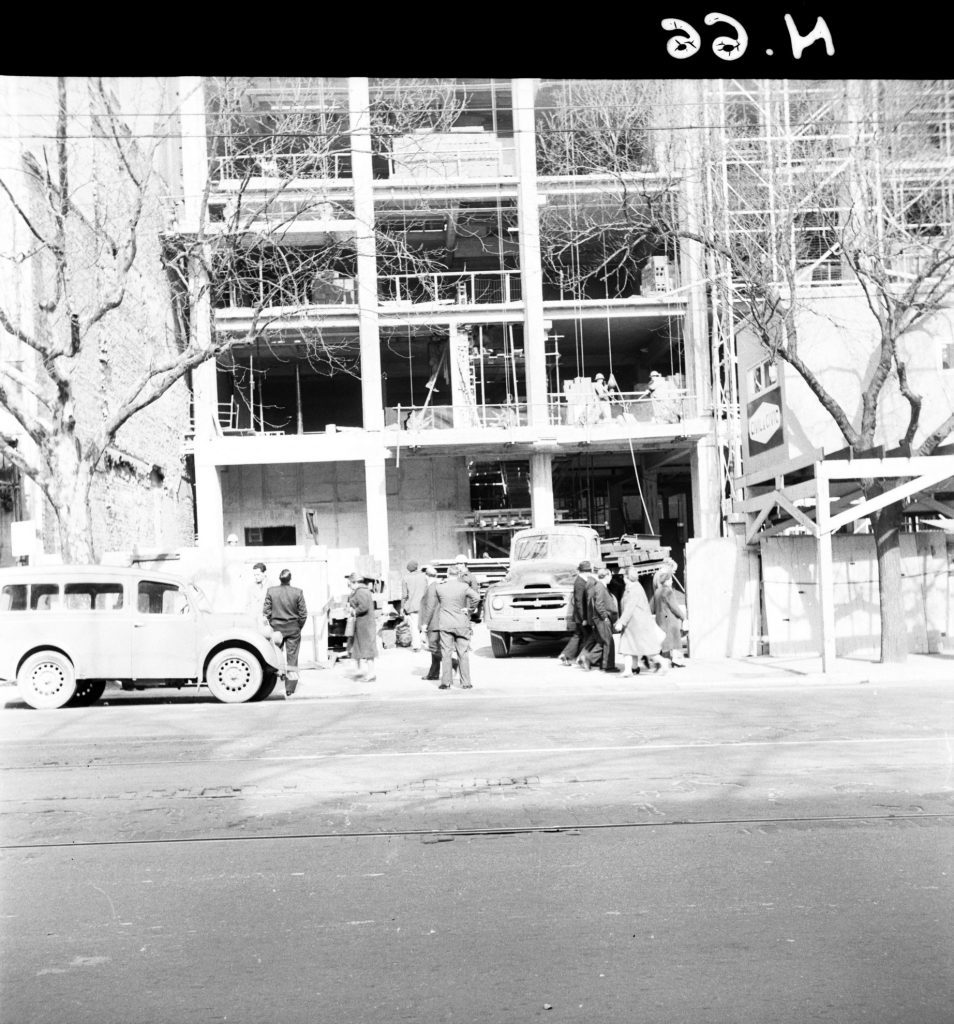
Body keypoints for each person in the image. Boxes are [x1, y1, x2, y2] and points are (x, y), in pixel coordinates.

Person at [615, 566, 667, 676]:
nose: (623, 578)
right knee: (629, 647)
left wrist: (621, 622)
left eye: (624, 576)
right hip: (633, 624)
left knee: (646, 649)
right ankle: (630, 669)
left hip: (636, 624)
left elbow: (630, 607)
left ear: (627, 577)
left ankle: (663, 662)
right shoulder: (632, 587)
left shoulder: (635, 589)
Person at [263, 569, 308, 696]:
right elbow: (303, 614)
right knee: (292, 658)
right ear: (290, 579)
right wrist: (298, 627)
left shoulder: (271, 591)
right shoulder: (297, 592)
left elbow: (265, 613)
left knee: (275, 656)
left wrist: (270, 627)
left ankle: (274, 684)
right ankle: (290, 688)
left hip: (276, 629)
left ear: (279, 579)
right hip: (293, 629)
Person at [435, 563, 480, 690]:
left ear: (447, 574)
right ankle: (466, 683)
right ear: (458, 574)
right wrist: (470, 609)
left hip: (446, 623)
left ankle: (446, 683)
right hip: (461, 623)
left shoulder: (439, 587)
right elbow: (476, 597)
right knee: (463, 653)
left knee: (446, 653)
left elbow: (438, 602)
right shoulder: (464, 587)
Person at [582, 567, 619, 672]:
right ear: (606, 576)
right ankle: (608, 666)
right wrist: (605, 617)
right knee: (609, 642)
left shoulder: (601, 586)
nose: (611, 578)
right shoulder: (600, 587)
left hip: (601, 619)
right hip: (602, 619)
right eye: (610, 575)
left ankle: (590, 659)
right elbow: (599, 604)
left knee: (602, 642)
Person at [652, 567, 688, 668]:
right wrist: (683, 617)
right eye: (670, 579)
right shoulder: (668, 591)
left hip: (661, 619)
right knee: (675, 639)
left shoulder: (657, 591)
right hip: (670, 619)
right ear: (667, 580)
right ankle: (676, 661)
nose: (672, 581)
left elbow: (653, 606)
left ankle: (666, 659)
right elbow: (674, 607)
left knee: (665, 640)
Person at [559, 560, 593, 665]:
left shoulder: (581, 580)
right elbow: (578, 602)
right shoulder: (580, 582)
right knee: (588, 636)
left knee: (578, 635)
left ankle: (566, 656)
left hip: (580, 616)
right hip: (581, 616)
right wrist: (584, 618)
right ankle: (583, 658)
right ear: (586, 571)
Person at [346, 573, 378, 680]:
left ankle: (371, 673)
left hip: (365, 625)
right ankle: (361, 671)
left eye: (350, 583)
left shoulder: (361, 592)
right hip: (363, 624)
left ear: (355, 582)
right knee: (360, 647)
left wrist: (353, 611)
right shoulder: (362, 591)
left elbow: (363, 607)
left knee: (368, 649)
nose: (349, 586)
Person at [418, 565, 442, 680]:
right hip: (436, 622)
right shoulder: (435, 586)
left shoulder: (432, 587)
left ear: (426, 575)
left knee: (433, 647)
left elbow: (430, 607)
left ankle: (453, 662)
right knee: (435, 649)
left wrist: (425, 624)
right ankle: (433, 674)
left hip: (433, 622)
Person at [401, 560, 428, 652]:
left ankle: (416, 646)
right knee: (426, 624)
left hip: (412, 606)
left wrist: (402, 607)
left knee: (414, 626)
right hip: (424, 605)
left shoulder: (405, 578)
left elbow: (404, 595)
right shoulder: (424, 576)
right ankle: (428, 644)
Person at [246, 562, 270, 631]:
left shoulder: (272, 586)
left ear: (264, 573)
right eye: (254, 575)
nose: (256, 577)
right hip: (255, 623)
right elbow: (247, 605)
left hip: (268, 622)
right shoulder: (250, 588)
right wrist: (251, 616)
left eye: (258, 575)